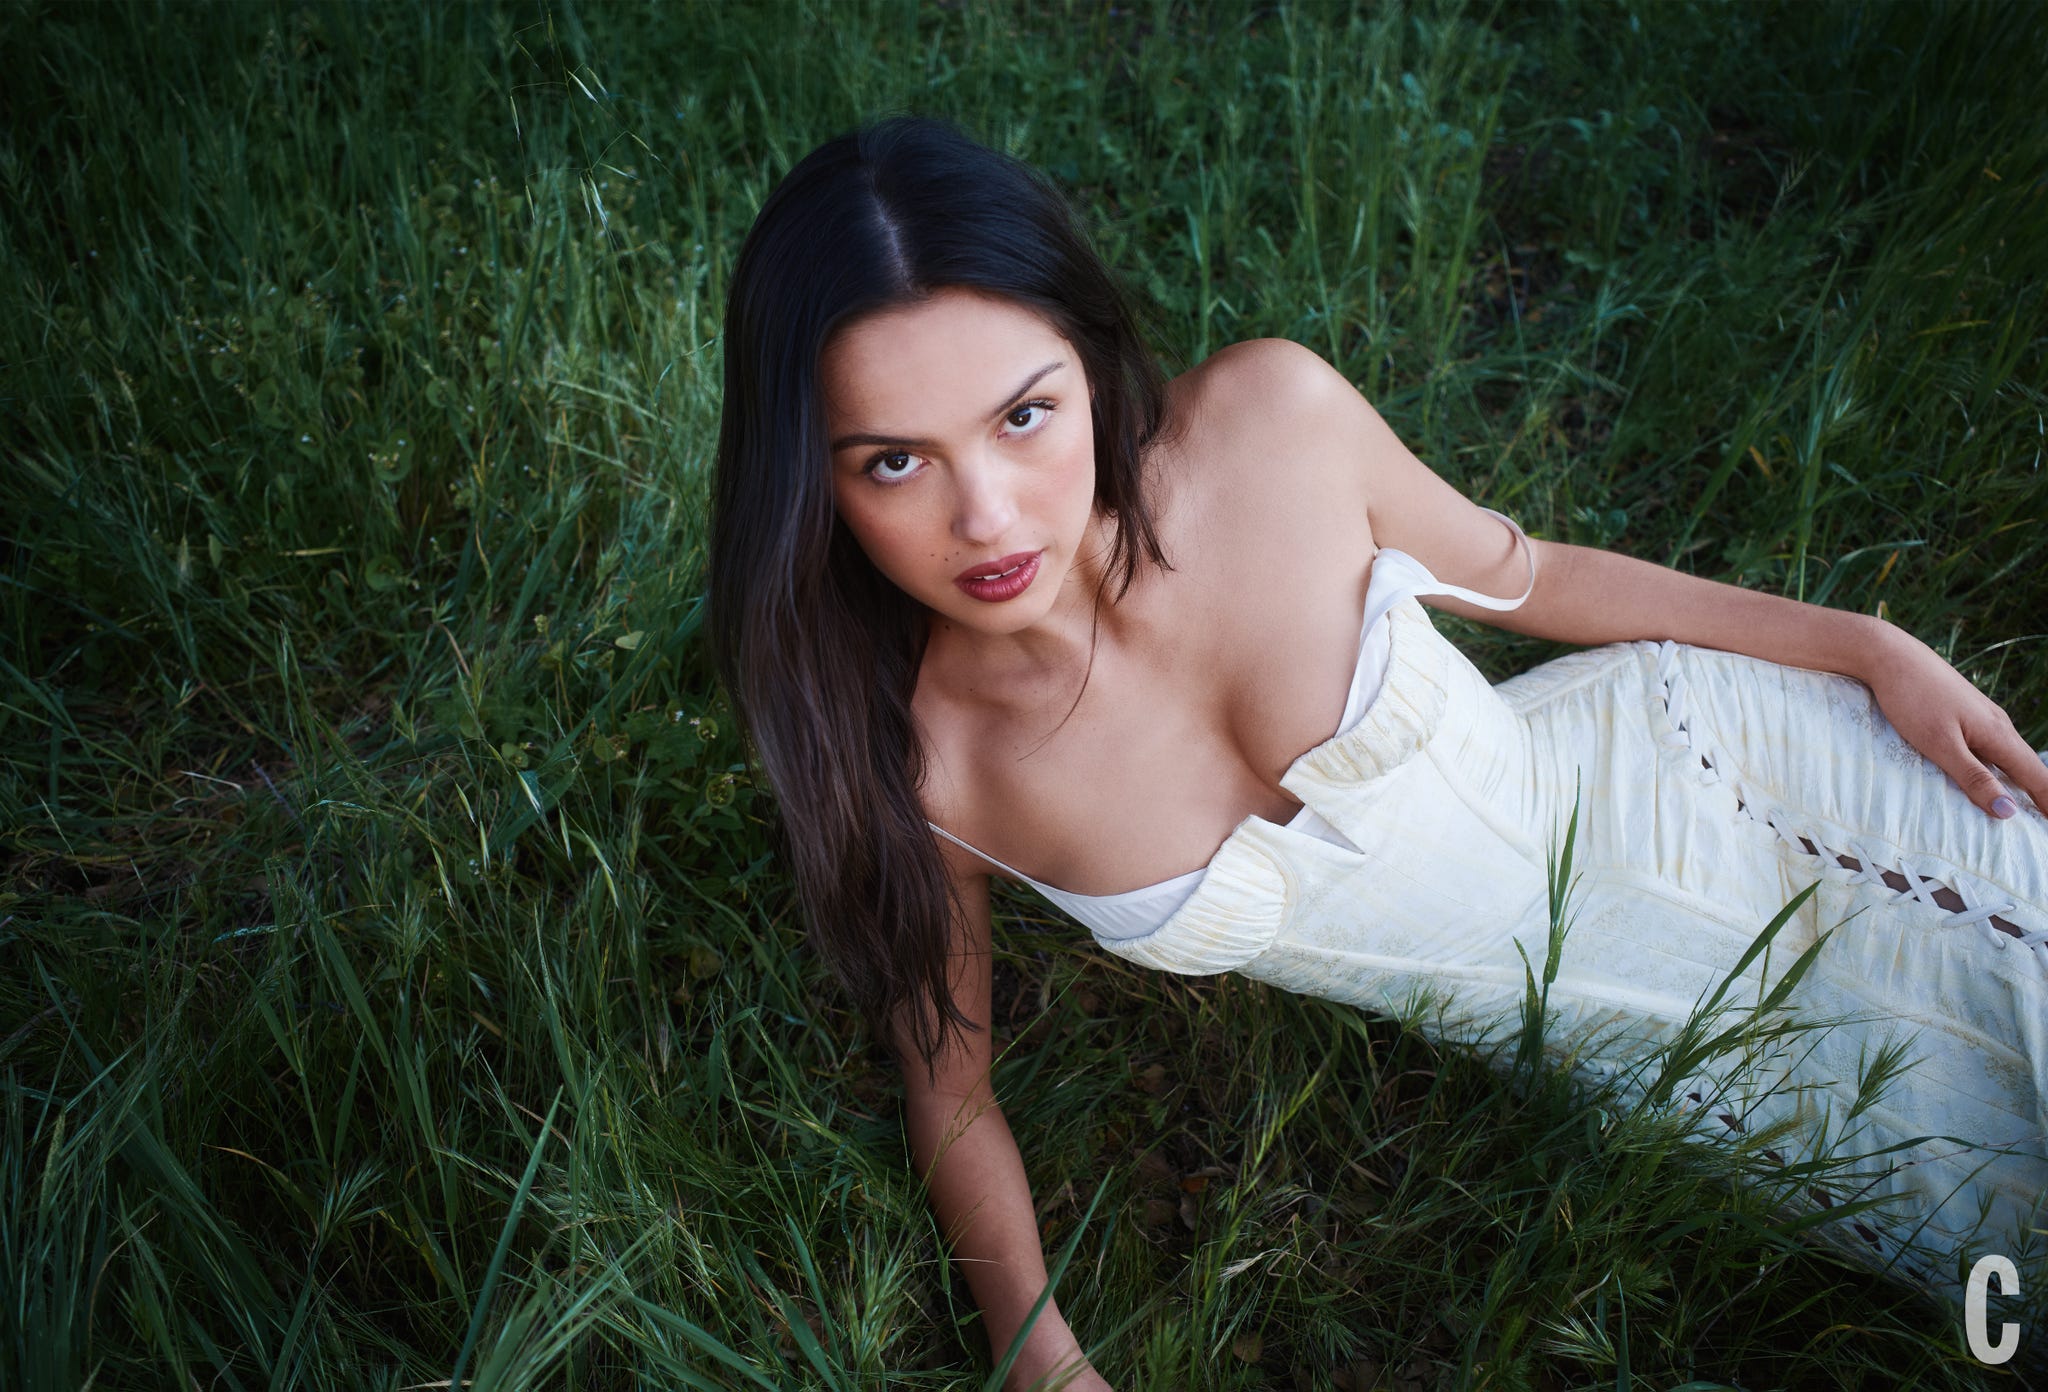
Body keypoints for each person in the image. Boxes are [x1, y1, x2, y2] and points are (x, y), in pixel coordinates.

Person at [706, 115, 2048, 1389]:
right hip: (1631, 1048)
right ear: (807, 482)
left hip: (1720, 780)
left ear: (1087, 348)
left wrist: (1863, 645)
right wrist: (1040, 1354)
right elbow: (950, 1093)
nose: (987, 514)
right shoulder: (932, 774)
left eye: (1023, 415)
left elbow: (1533, 575)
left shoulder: (1269, 425)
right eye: (894, 462)